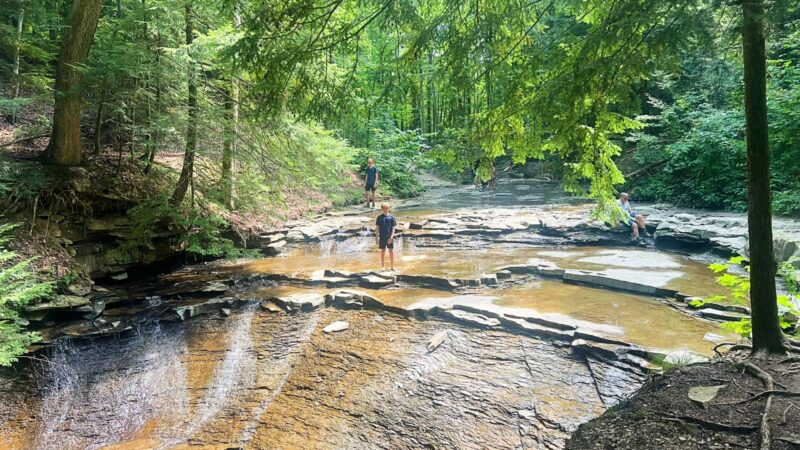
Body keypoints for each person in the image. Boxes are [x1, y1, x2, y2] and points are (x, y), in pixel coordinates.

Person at [375, 202, 397, 271]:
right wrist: (377, 238)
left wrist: (391, 237)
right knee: (383, 251)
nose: (385, 209)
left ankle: (392, 267)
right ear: (382, 209)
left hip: (389, 237)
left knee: (391, 251)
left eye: (387, 208)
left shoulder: (391, 217)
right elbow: (377, 228)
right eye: (384, 208)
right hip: (382, 237)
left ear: (388, 208)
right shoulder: (379, 218)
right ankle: (383, 266)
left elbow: (393, 228)